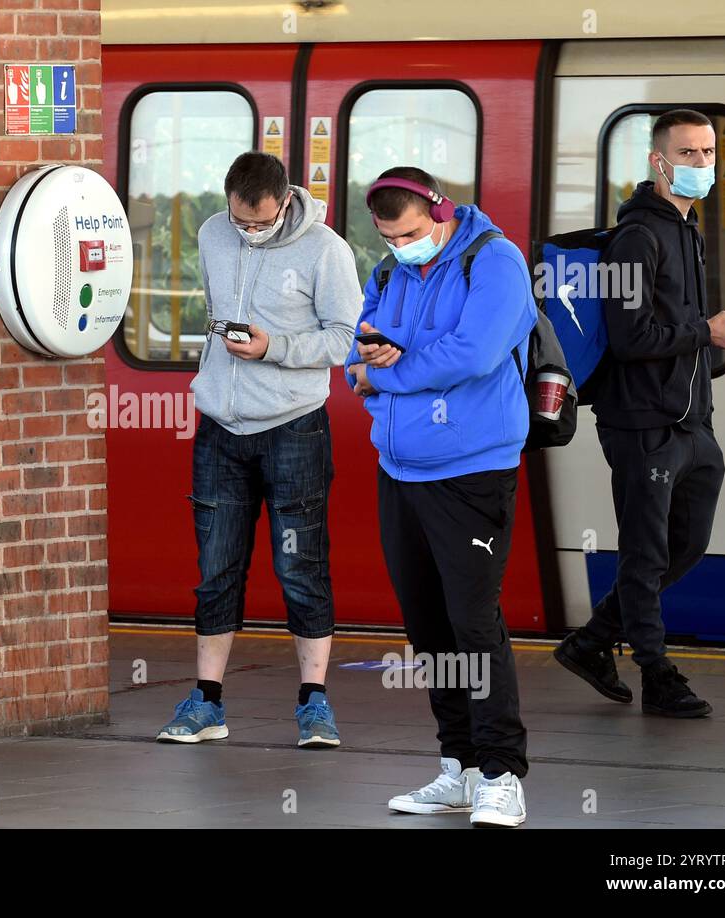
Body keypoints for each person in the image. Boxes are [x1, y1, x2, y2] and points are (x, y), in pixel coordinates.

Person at [345, 166, 536, 827]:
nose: (407, 245)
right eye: (394, 236)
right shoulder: (389, 272)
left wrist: (395, 368)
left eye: (417, 233)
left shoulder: (496, 260)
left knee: (474, 624)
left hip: (472, 471)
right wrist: (374, 367)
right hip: (399, 471)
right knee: (429, 629)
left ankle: (502, 773)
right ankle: (458, 767)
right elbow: (356, 354)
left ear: (443, 211)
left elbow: (475, 353)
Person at [553, 109, 725, 717]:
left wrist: (705, 339)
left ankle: (591, 642)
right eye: (688, 154)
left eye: (707, 153)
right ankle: (657, 675)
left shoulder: (685, 230)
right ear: (657, 161)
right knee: (645, 552)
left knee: (684, 545)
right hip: (642, 422)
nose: (701, 164)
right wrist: (707, 330)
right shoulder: (637, 237)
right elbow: (631, 335)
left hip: (691, 423)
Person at [156, 152, 360, 748]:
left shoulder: (326, 249)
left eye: (261, 222)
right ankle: (207, 703)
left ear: (285, 201)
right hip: (220, 426)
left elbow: (343, 340)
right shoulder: (211, 233)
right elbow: (216, 310)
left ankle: (314, 704)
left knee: (301, 567)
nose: (248, 230)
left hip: (294, 427)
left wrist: (273, 347)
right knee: (216, 568)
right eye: (240, 220)